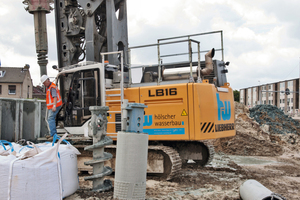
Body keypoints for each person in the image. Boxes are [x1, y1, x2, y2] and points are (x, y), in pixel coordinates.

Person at [41, 75, 62, 139]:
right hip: (53, 106)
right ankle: (52, 133)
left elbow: (55, 97)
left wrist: (54, 106)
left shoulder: (52, 87)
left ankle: (53, 134)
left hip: (55, 105)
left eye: (44, 83)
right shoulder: (49, 87)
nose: (44, 84)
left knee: (50, 119)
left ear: (48, 80)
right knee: (50, 119)